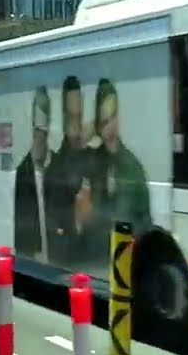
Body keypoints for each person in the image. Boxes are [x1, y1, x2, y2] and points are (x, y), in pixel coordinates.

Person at [89, 78, 152, 249]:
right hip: (99, 253)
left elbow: (134, 218)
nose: (109, 125)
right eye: (104, 121)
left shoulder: (131, 165)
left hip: (128, 249)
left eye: (112, 117)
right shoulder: (95, 161)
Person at [46, 76, 89, 264]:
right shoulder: (55, 168)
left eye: (79, 117)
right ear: (64, 119)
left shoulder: (93, 157)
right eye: (71, 118)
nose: (76, 128)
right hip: (70, 259)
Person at [13, 87, 53, 260]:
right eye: (36, 131)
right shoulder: (23, 172)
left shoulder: (60, 164)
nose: (39, 135)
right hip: (32, 253)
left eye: (43, 131)